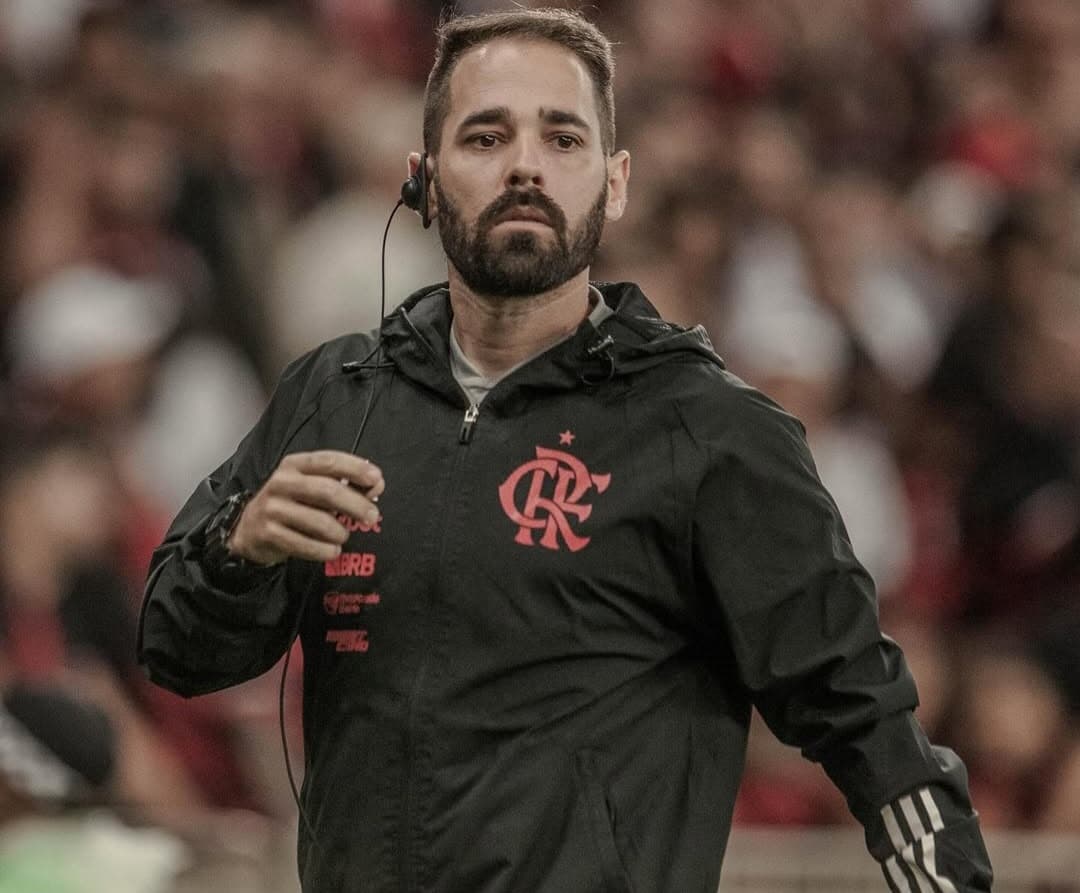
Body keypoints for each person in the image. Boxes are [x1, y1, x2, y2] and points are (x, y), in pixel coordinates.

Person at [138, 9, 994, 892]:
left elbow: (870, 723)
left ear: (614, 182)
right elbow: (174, 647)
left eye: (563, 137)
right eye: (484, 135)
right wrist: (240, 550)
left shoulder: (708, 432)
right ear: (421, 182)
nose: (524, 164)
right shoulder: (335, 396)